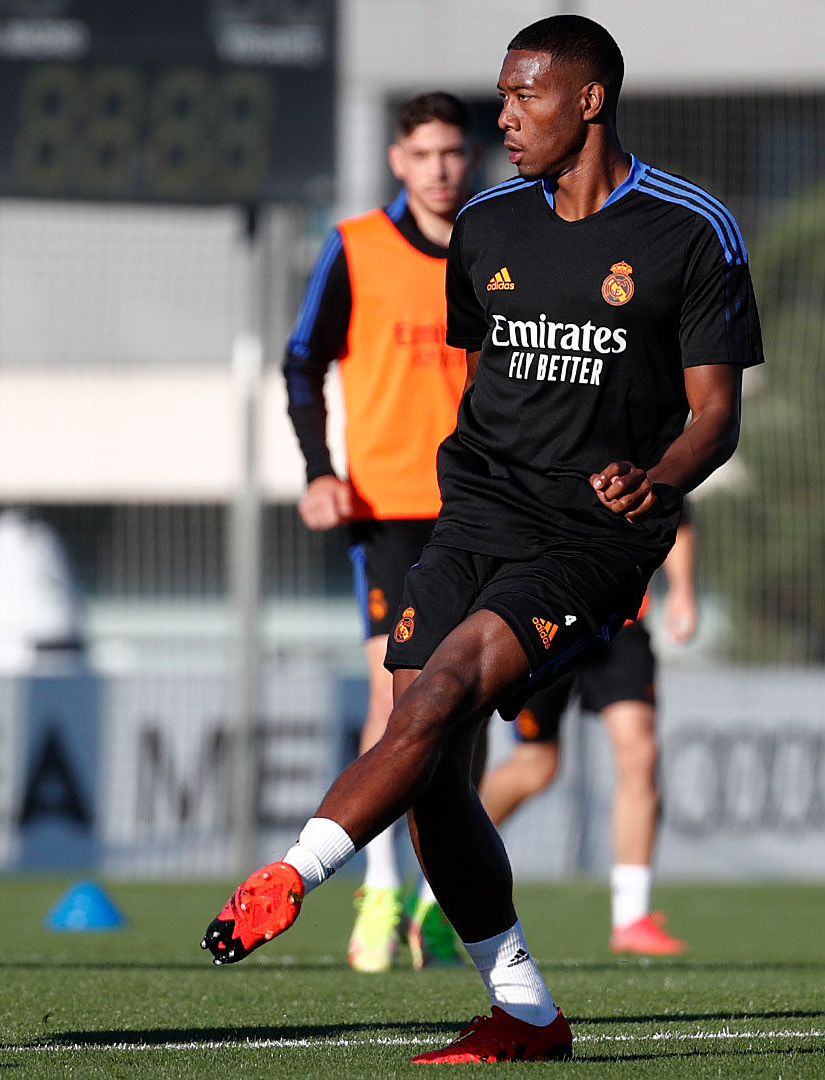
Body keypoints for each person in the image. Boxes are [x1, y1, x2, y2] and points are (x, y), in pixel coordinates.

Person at [203, 15, 762, 1065]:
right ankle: (526, 1013)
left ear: (589, 100)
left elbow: (717, 416)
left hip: (596, 536)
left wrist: (658, 480)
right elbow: (492, 390)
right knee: (434, 771)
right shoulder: (492, 226)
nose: (501, 118)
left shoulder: (693, 230)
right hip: (474, 517)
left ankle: (294, 872)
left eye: (525, 96)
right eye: (499, 95)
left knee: (442, 687)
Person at [282, 92, 473, 973]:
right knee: (394, 699)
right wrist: (320, 470)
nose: (439, 167)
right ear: (398, 159)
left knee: (465, 708)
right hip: (390, 509)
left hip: (480, 507)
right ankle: (380, 884)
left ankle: (443, 895)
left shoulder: (493, 245)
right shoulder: (357, 247)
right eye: (422, 152)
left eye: (451, 151)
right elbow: (301, 360)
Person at [482, 516, 698, 956]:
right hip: (547, 614)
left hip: (622, 621)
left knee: (641, 754)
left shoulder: (647, 446)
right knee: (536, 767)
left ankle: (631, 917)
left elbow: (677, 508)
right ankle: (438, 885)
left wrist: (682, 589)